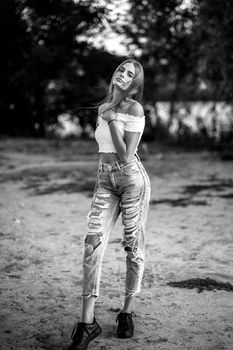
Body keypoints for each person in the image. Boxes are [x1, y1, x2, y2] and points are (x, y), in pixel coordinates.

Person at [68, 59, 151, 350]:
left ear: (135, 84)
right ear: (114, 74)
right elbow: (104, 150)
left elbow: (127, 154)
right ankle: (87, 322)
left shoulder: (134, 109)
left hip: (131, 181)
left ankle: (126, 312)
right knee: (92, 243)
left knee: (132, 245)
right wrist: (107, 113)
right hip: (104, 179)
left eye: (131, 74)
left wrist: (113, 117)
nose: (124, 75)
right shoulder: (104, 108)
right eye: (121, 70)